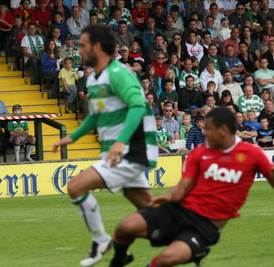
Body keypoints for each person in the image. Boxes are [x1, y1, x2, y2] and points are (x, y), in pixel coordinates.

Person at [108, 108, 274, 267]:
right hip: (179, 210)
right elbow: (182, 188)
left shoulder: (252, 153)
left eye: (208, 129)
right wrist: (168, 197)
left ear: (223, 130)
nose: (203, 133)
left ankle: (199, 250)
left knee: (167, 259)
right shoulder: (199, 153)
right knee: (125, 227)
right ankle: (117, 261)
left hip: (205, 226)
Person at [51, 24, 158, 267]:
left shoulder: (118, 73)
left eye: (83, 45)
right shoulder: (97, 77)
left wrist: (120, 142)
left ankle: (101, 240)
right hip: (122, 151)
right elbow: (96, 115)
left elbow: (138, 106)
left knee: (76, 187)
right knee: (154, 215)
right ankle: (190, 237)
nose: (79, 50)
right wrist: (73, 137)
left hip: (130, 150)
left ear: (97, 47)